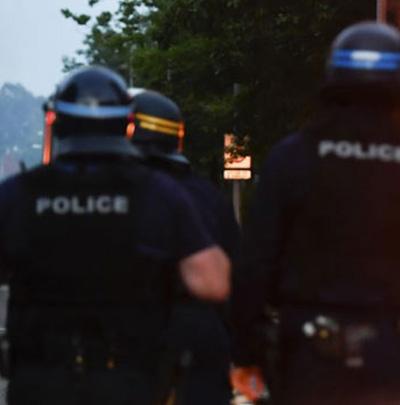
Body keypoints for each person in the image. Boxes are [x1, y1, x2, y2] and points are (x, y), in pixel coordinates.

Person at [232, 22, 400, 405]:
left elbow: (255, 260)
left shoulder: (293, 155)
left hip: (307, 343)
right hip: (383, 345)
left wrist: (246, 349)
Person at [0, 66, 230, 405]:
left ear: (56, 123)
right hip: (129, 379)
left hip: (40, 380)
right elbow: (213, 282)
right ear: (127, 125)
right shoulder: (160, 193)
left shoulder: (19, 194)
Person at [129, 89, 239, 404]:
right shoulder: (208, 196)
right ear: (177, 137)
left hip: (134, 336)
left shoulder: (115, 194)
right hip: (201, 334)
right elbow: (237, 272)